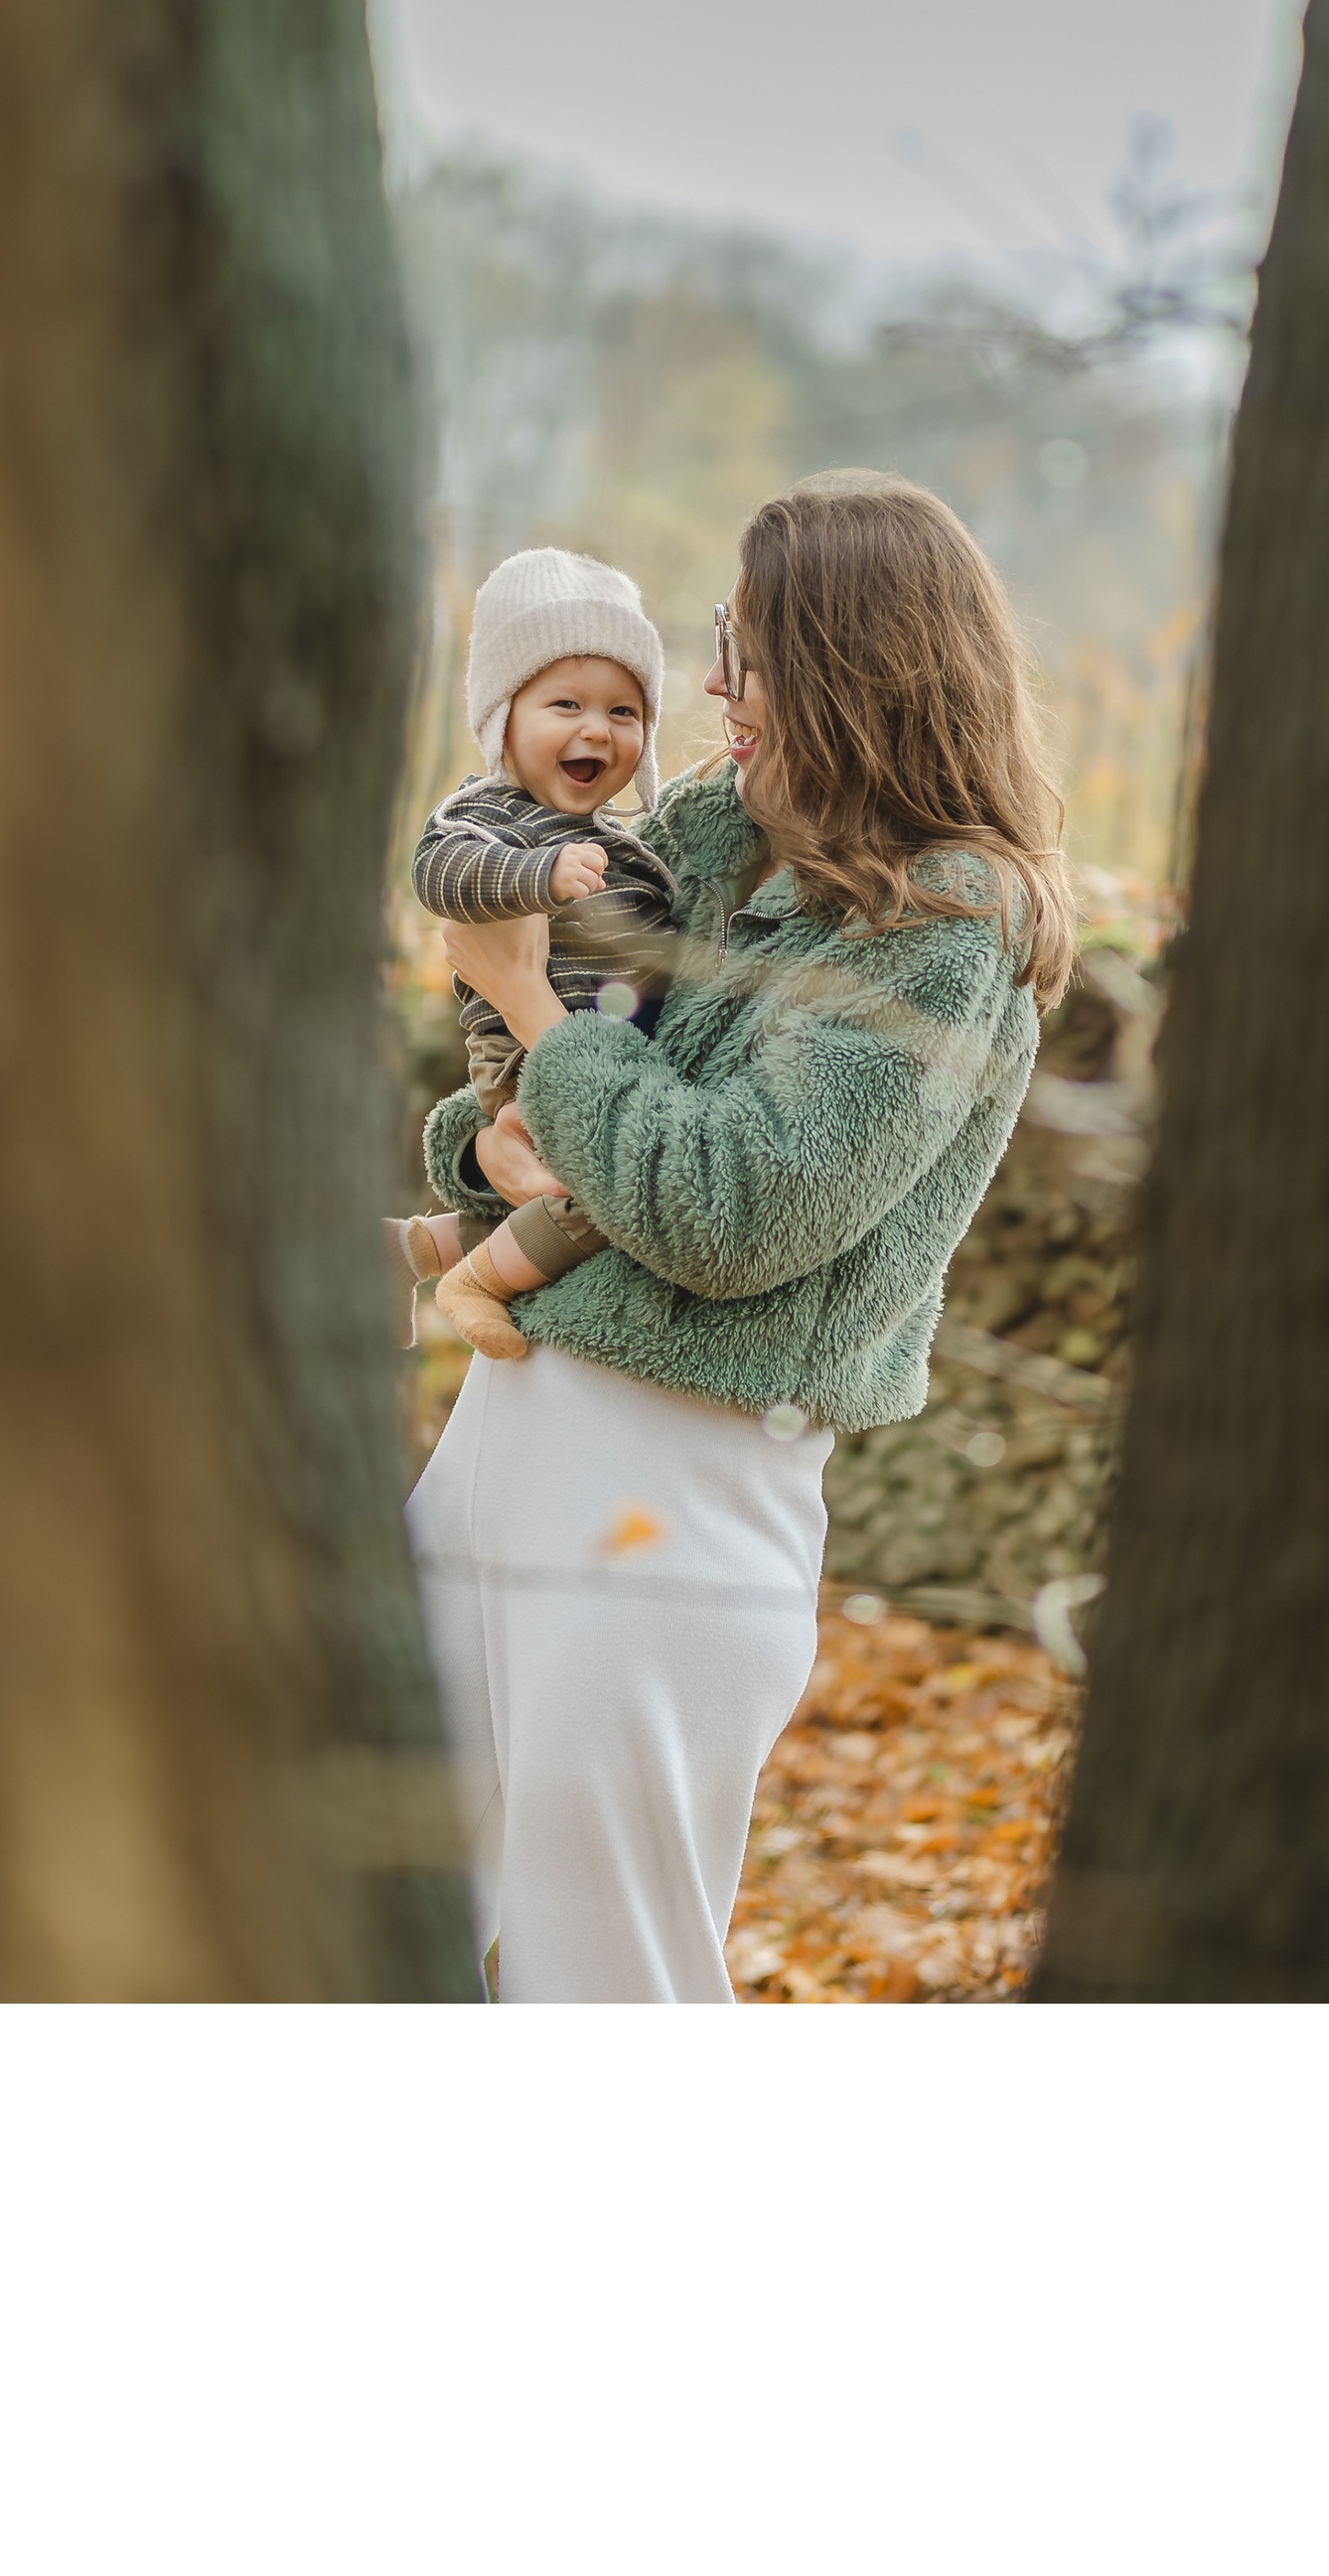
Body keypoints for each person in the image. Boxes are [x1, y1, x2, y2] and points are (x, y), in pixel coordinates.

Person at [404, 472, 1078, 2003]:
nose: (716, 689)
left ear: (852, 666)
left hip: (672, 1496)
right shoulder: (712, 835)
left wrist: (521, 1005)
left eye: (748, 649)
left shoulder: (942, 924)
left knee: (603, 1981)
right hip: (508, 1437)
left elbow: (731, 1209)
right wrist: (493, 1124)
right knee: (341, 1914)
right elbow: (573, 1096)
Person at [386, 548, 680, 1360]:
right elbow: (437, 873)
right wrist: (536, 876)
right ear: (502, 719)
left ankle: (413, 1248)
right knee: (605, 1187)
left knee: (558, 1189)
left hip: (601, 1042)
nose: (598, 728)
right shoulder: (487, 817)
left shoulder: (623, 842)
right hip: (524, 1050)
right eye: (566, 704)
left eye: (625, 712)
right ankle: (477, 1282)